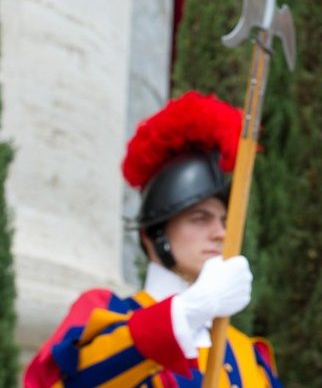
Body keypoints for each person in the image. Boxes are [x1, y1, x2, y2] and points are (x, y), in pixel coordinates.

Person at [24, 92, 282, 387]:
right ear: (153, 234)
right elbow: (69, 381)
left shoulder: (246, 353)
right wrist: (191, 309)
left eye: (224, 221)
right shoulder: (106, 314)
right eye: (200, 218)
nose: (220, 233)